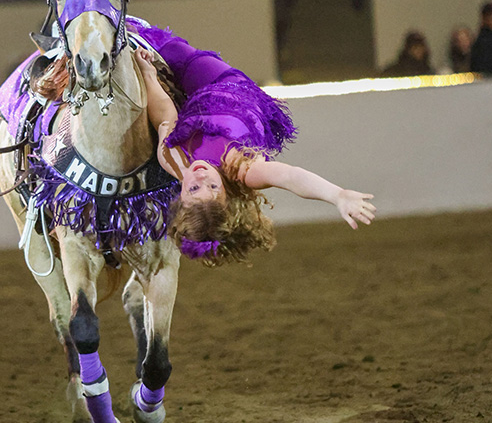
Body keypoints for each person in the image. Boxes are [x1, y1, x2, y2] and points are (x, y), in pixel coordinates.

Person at [131, 44, 374, 264]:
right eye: (213, 189)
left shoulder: (172, 158)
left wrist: (149, 74)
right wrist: (337, 195)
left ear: (181, 197)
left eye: (194, 189)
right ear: (226, 192)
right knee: (171, 49)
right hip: (228, 87)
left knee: (158, 48)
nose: (202, 179)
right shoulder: (240, 169)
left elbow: (164, 113)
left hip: (195, 103)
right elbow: (290, 177)